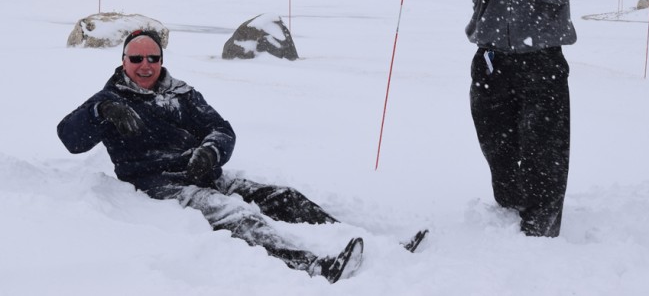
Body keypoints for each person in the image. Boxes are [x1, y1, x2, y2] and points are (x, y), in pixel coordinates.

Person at [57, 30, 397, 283]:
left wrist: (211, 152)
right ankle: (314, 265)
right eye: (136, 59)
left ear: (162, 60)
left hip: (203, 170)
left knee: (283, 197)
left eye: (153, 58)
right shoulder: (108, 100)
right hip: (158, 184)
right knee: (236, 215)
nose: (145, 66)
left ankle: (368, 239)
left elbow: (221, 128)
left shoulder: (182, 93)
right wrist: (101, 112)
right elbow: (69, 138)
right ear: (124, 61)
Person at [455, 0, 580, 237]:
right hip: (492, 58)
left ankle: (543, 217)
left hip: (542, 58)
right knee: (496, 140)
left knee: (544, 143)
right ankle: (511, 201)